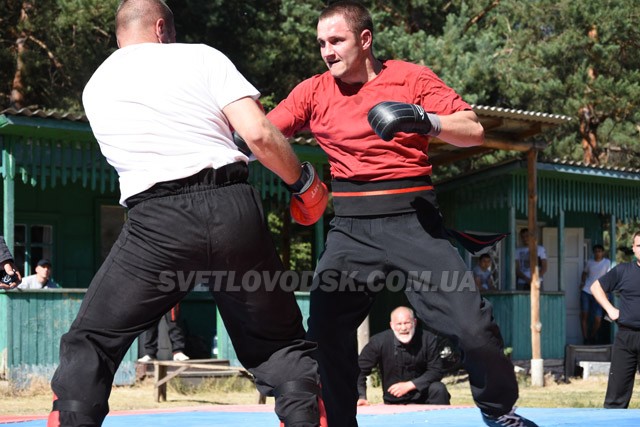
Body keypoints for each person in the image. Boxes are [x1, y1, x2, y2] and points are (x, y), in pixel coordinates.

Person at [47, 1, 328, 426]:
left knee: (93, 341)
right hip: (232, 207)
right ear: (162, 28)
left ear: (120, 33)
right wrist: (305, 185)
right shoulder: (202, 55)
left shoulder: (94, 86)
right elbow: (256, 133)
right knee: (278, 343)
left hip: (156, 221)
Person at [266, 2, 536, 426]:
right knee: (324, 333)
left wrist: (425, 120)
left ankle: (500, 413)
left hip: (414, 221)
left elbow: (473, 128)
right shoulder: (313, 91)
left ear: (365, 40)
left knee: (473, 326)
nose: (327, 51)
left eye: (336, 40)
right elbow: (262, 134)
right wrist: (298, 180)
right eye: (321, 43)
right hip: (351, 229)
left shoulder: (410, 77)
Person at [357, 306, 450, 406]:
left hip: (424, 396)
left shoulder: (428, 339)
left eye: (407, 323)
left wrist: (411, 385)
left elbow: (436, 370)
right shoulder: (378, 342)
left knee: (439, 388)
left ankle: (443, 421)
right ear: (392, 325)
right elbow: (359, 370)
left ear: (414, 322)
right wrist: (361, 397)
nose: (403, 328)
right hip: (394, 400)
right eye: (399, 324)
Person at [591, 231, 640, 409]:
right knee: (616, 395)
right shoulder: (623, 270)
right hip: (625, 337)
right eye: (639, 245)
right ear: (634, 249)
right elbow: (596, 287)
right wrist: (611, 309)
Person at [580, 244, 611, 344]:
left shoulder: (607, 262)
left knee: (598, 318)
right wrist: (582, 283)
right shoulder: (589, 262)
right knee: (584, 315)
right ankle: (585, 338)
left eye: (599, 251)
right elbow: (584, 273)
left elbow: (609, 277)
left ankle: (592, 337)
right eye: (596, 251)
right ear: (593, 253)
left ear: (603, 253)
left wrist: (606, 291)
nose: (598, 253)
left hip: (599, 293)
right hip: (586, 291)